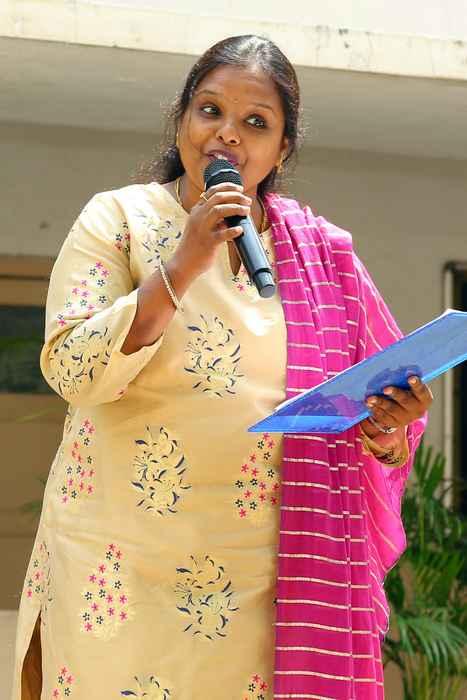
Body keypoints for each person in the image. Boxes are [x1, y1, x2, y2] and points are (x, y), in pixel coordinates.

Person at [13, 35, 431, 700]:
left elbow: (369, 416)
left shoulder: (323, 258)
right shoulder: (118, 219)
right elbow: (73, 371)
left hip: (265, 589)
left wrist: (388, 425)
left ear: (282, 149)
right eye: (210, 110)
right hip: (119, 576)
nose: (227, 134)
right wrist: (182, 264)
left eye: (255, 122)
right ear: (181, 119)